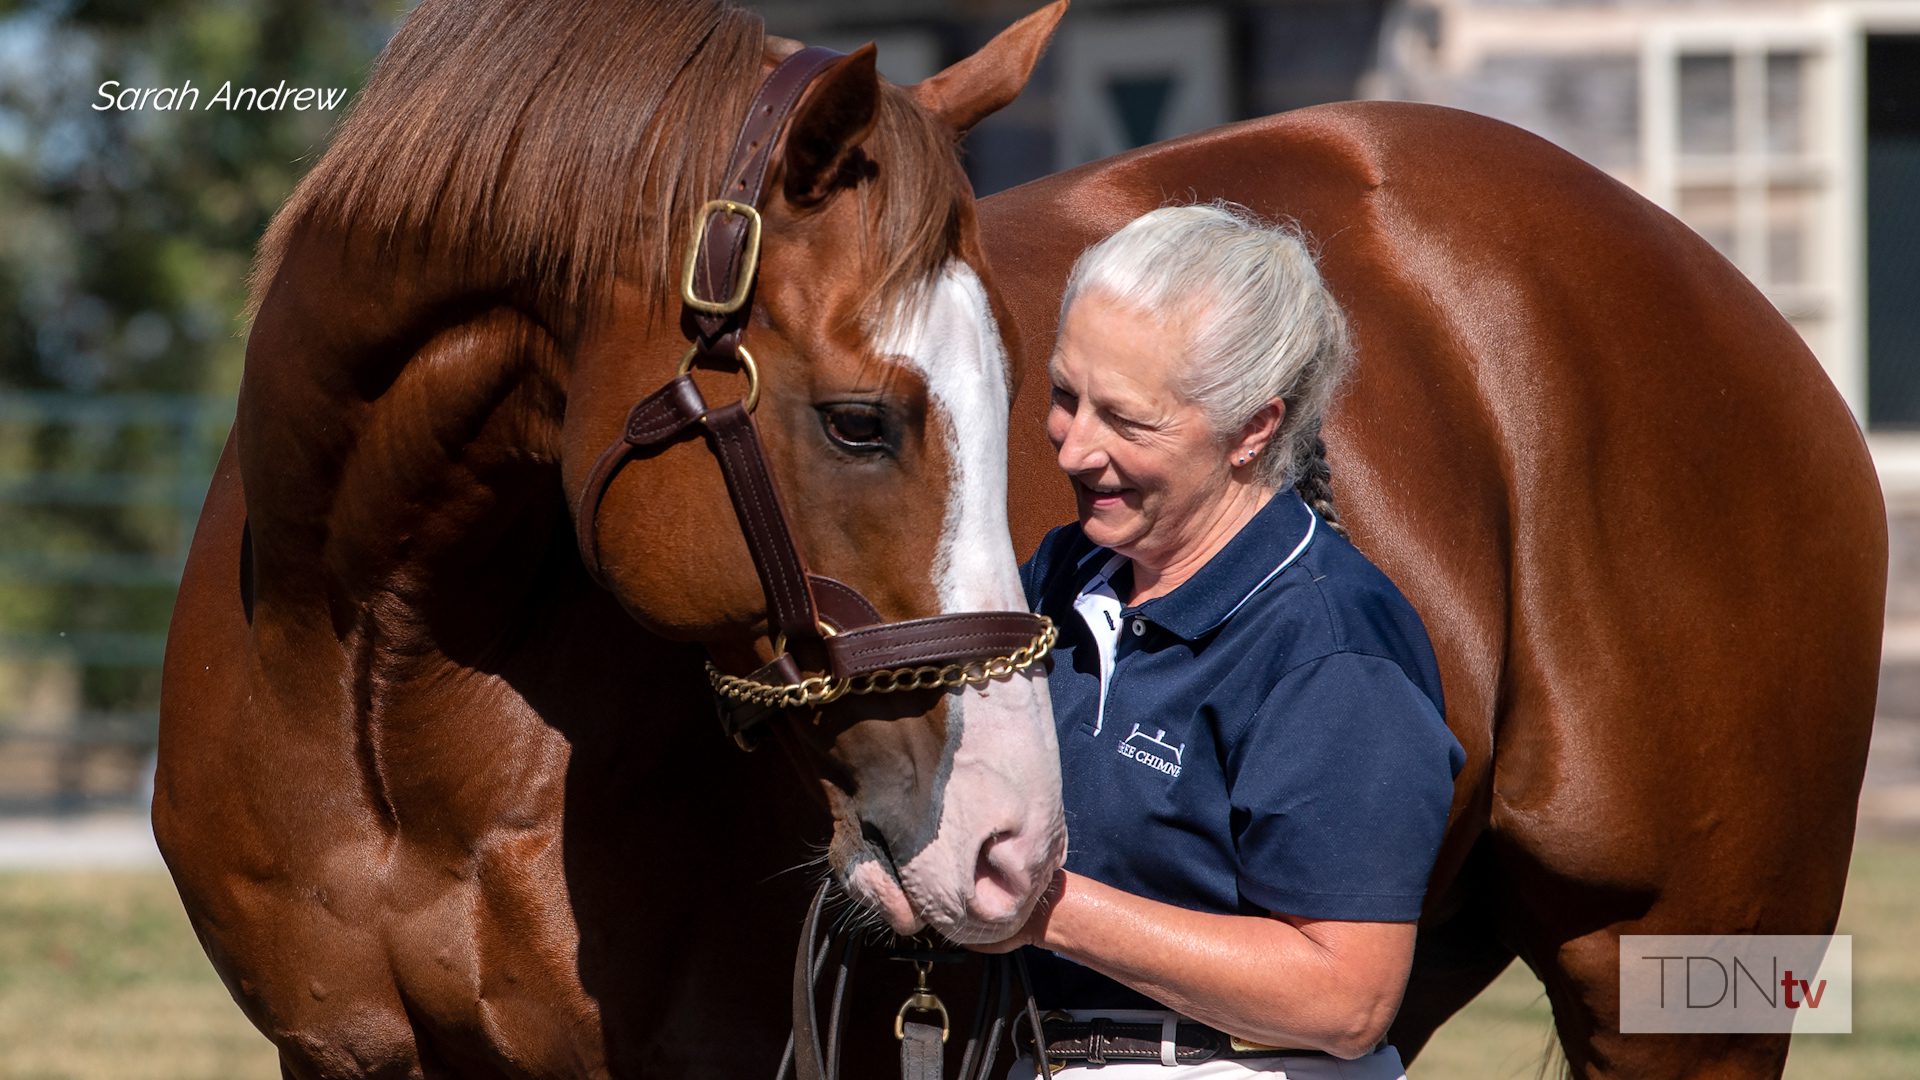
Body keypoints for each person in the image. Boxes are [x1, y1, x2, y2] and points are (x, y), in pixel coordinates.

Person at [975, 204, 1465, 1079]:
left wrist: (1038, 905)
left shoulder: (1330, 645)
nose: (1072, 449)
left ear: (1253, 430)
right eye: (1063, 396)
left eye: (1127, 421)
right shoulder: (1064, 572)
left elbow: (1346, 999)